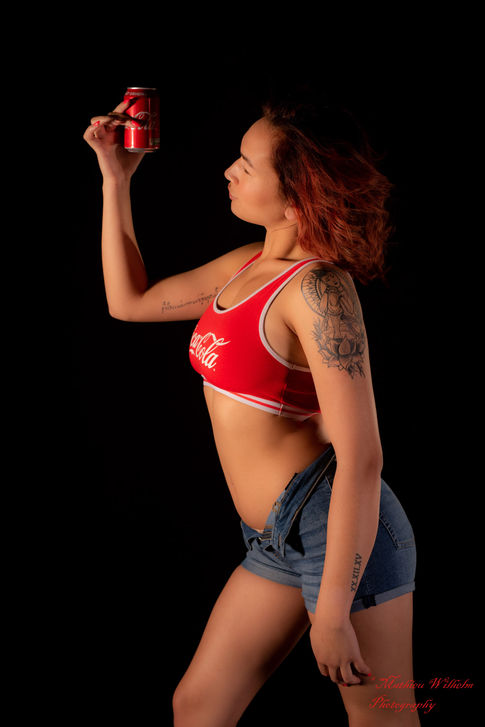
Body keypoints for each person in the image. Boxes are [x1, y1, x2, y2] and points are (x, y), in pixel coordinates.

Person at [83, 91, 419, 727]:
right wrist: (115, 179)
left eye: (246, 164)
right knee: (198, 706)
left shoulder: (317, 289)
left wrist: (333, 610)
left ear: (296, 197)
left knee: (384, 719)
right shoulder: (247, 265)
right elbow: (129, 302)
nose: (228, 171)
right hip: (275, 536)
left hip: (339, 532)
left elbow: (363, 457)